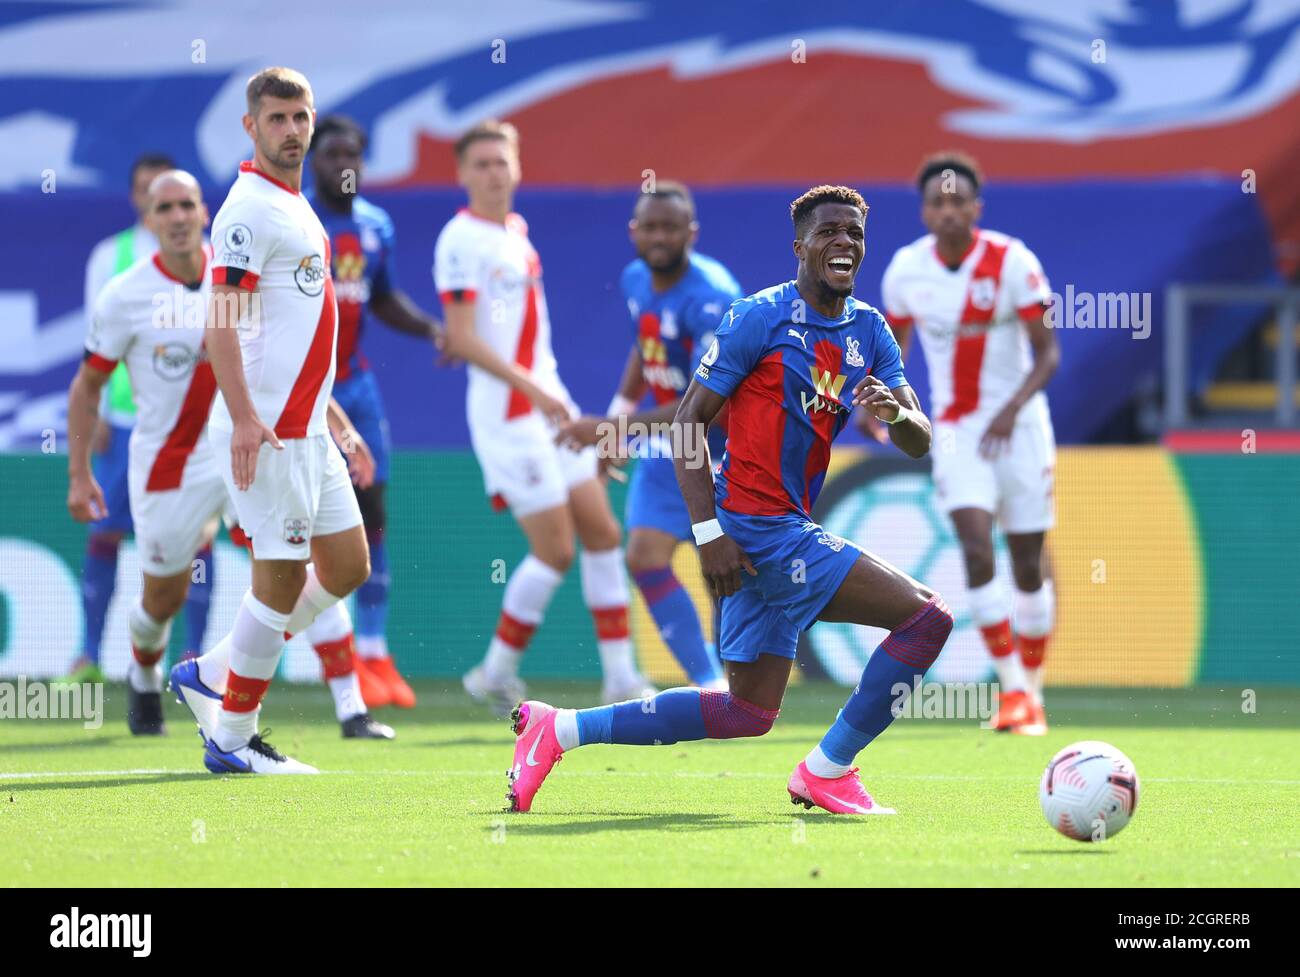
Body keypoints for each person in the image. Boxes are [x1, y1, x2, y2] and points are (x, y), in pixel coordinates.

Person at [505, 185, 954, 815]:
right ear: (800, 247)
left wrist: (898, 415)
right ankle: (828, 770)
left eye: (854, 232)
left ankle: (560, 729)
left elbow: (918, 437)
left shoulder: (871, 332)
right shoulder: (758, 317)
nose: (844, 242)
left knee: (746, 710)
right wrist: (709, 533)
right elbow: (690, 423)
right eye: (829, 232)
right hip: (761, 529)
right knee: (927, 620)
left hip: (775, 529)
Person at [173, 66, 370, 774]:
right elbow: (219, 322)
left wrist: (340, 424)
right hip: (269, 428)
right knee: (279, 577)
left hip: (309, 428)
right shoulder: (246, 210)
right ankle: (232, 739)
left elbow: (296, 333)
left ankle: (212, 670)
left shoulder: (295, 205)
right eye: (277, 118)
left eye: (301, 117)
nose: (292, 130)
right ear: (251, 126)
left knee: (347, 565)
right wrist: (247, 418)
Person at [434, 120, 653, 713]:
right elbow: (460, 339)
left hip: (547, 406)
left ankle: (620, 679)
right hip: (508, 416)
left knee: (603, 532)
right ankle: (494, 673)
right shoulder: (460, 240)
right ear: (461, 174)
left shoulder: (516, 234)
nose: (492, 173)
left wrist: (547, 391)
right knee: (556, 549)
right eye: (479, 164)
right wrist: (533, 389)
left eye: (501, 161)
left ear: (517, 168)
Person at [874, 152, 1059, 735]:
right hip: (956, 431)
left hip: (1022, 425)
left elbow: (1048, 351)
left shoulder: (1011, 259)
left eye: (959, 202)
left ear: (976, 208)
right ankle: (1011, 693)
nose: (948, 211)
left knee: (1028, 563)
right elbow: (892, 351)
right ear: (925, 210)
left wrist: (1009, 410)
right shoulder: (906, 270)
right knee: (978, 548)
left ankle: (1032, 687)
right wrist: (880, 404)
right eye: (938, 202)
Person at [557, 182, 740, 690]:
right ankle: (710, 685)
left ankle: (738, 687)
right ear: (634, 232)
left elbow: (707, 400)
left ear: (691, 233)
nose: (659, 237)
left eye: (670, 228)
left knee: (725, 574)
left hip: (728, 451)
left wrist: (611, 429)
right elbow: (646, 348)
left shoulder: (713, 298)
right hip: (670, 448)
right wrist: (618, 422)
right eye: (650, 227)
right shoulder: (636, 279)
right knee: (644, 557)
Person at [66, 169, 222, 734]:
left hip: (239, 449)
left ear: (205, 212)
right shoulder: (125, 293)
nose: (178, 217)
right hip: (165, 461)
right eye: (166, 209)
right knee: (162, 596)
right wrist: (80, 474)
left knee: (294, 560)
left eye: (188, 205)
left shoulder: (238, 279)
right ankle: (145, 668)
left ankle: (234, 691)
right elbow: (85, 386)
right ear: (150, 220)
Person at [305, 113, 446, 710]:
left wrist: (430, 329)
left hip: (356, 385)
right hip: (307, 390)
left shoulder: (374, 225)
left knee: (372, 509)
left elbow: (380, 297)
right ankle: (335, 660)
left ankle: (374, 651)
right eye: (334, 153)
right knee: (310, 522)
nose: (346, 164)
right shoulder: (297, 219)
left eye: (355, 154)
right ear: (313, 160)